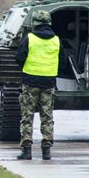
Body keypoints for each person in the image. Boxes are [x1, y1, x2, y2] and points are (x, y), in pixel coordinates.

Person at [16, 10, 59, 160]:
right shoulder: (56, 40)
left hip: (30, 82)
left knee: (27, 116)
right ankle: (46, 151)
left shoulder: (30, 38)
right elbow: (64, 62)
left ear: (34, 23)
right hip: (49, 83)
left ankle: (27, 150)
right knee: (47, 116)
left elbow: (19, 57)